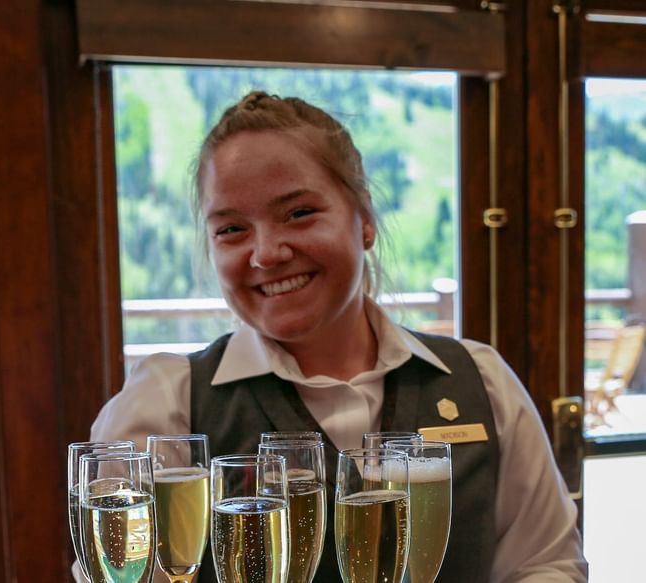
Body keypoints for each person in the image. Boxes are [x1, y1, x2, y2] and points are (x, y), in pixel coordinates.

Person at [79, 91, 588, 582]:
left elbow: (546, 565)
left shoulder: (481, 379)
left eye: (299, 213)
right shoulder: (166, 403)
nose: (267, 253)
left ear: (364, 220)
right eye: (231, 229)